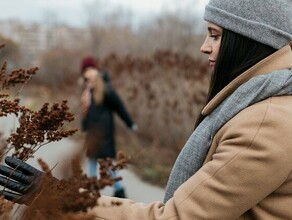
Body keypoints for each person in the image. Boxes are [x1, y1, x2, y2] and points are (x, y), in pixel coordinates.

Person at [0, 0, 291, 219]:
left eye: (215, 35)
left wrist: (58, 196)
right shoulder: (264, 109)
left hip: (104, 139)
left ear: (249, 41)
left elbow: (174, 217)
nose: (204, 47)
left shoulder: (262, 126)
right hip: (93, 139)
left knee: (104, 173)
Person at [80, 56, 138, 198]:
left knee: (106, 164)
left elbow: (119, 107)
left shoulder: (105, 89)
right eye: (85, 72)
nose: (88, 74)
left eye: (90, 70)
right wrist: (85, 125)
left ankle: (114, 190)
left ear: (96, 70)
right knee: (94, 162)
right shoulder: (88, 91)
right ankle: (95, 190)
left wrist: (130, 123)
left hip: (104, 134)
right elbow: (87, 113)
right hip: (93, 134)